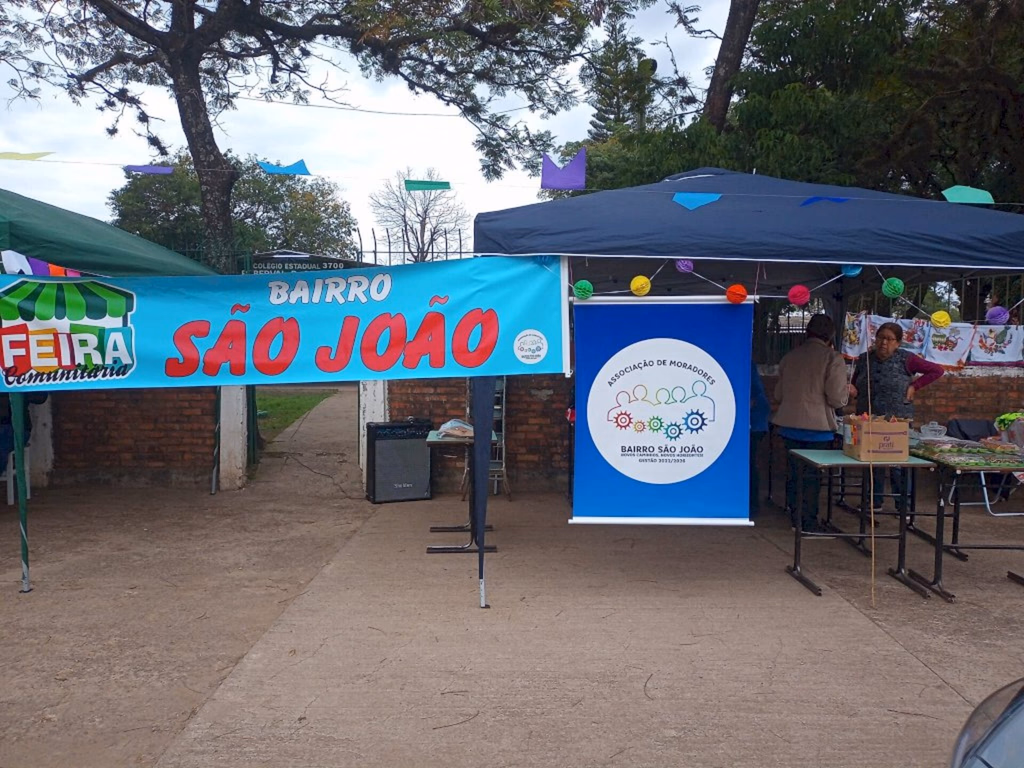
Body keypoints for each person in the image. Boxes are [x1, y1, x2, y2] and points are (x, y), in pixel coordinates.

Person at [850, 321, 944, 511]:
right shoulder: (864, 359)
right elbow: (855, 381)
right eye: (881, 338)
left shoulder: (906, 359)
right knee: (871, 462)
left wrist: (914, 386)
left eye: (890, 339)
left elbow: (937, 371)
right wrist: (852, 389)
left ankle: (904, 505)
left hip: (896, 420)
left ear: (898, 343)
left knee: (898, 465)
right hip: (869, 418)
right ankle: (873, 502)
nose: (884, 343)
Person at [772, 314, 849, 533]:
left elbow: (778, 394)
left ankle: (793, 512)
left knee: (794, 472)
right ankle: (807, 521)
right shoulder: (832, 358)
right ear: (831, 335)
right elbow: (835, 397)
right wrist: (846, 394)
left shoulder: (790, 356)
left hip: (788, 424)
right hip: (818, 428)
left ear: (807, 331)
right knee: (812, 478)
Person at [749, 359, 770, 520]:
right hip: (755, 421)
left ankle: (751, 505)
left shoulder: (743, 362)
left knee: (749, 464)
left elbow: (753, 398)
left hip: (753, 423)